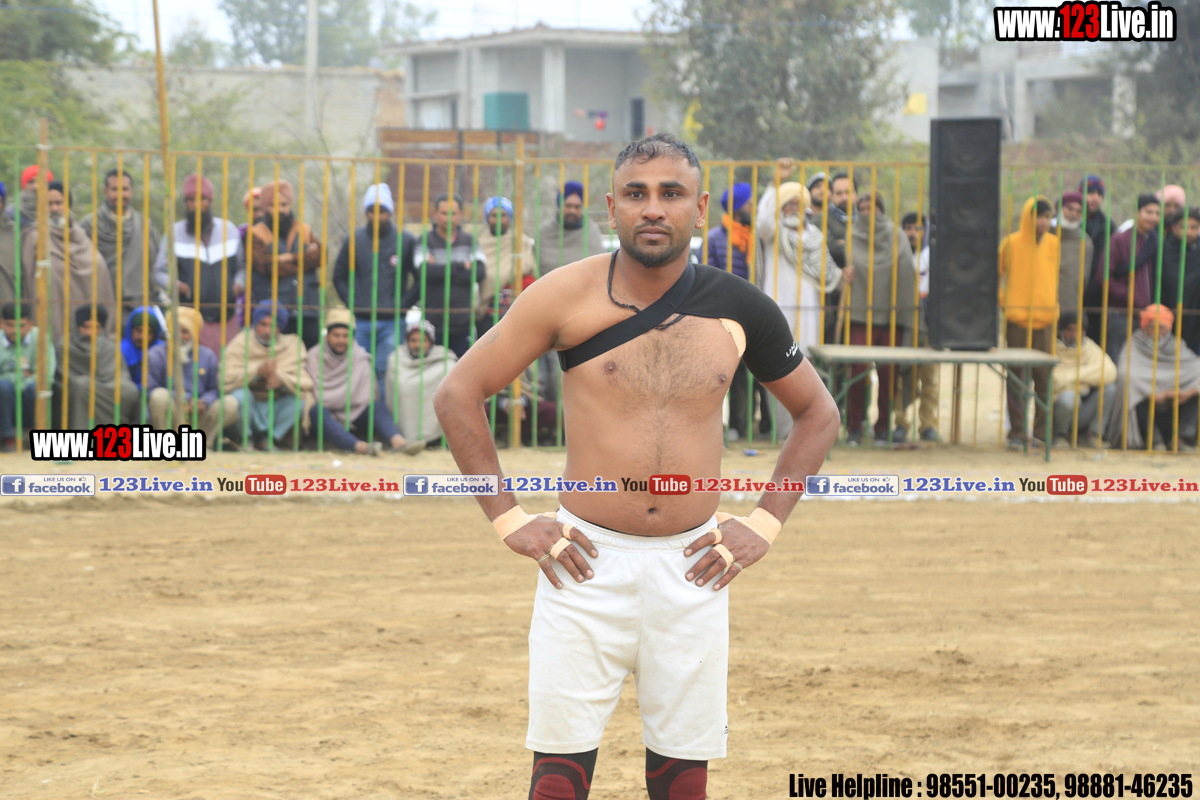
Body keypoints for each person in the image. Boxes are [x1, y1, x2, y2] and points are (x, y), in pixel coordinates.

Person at [434, 133, 840, 800]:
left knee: (682, 779)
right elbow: (458, 394)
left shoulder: (742, 307)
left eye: (671, 193)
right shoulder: (562, 295)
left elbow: (818, 413)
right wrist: (508, 519)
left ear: (699, 208)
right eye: (636, 193)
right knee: (558, 780)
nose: (653, 208)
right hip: (582, 564)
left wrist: (765, 524)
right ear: (611, 207)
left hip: (695, 567)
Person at [756, 166, 843, 439]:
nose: (793, 207)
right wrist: (774, 184)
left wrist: (843, 276)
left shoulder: (816, 237)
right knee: (776, 368)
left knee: (805, 367)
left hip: (808, 314)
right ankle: (783, 432)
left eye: (798, 203)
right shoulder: (774, 234)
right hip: (778, 309)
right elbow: (764, 222)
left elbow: (828, 273)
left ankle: (806, 429)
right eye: (787, 203)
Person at [845, 192, 916, 446]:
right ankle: (854, 426)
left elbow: (906, 272)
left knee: (888, 374)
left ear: (881, 210)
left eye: (871, 208)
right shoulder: (852, 235)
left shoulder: (897, 235)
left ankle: (883, 427)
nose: (866, 213)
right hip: (859, 315)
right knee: (857, 371)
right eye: (862, 209)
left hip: (891, 316)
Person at [305, 307, 421, 455]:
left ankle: (399, 442)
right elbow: (317, 396)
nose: (341, 340)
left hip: (356, 414)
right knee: (317, 411)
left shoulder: (360, 356)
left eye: (346, 336)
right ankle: (361, 448)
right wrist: (344, 399)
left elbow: (368, 396)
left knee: (377, 406)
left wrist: (339, 399)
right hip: (329, 417)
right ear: (327, 336)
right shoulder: (314, 356)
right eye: (336, 335)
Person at [333, 183, 417, 383]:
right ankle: (361, 404)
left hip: (393, 321)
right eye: (372, 211)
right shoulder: (354, 239)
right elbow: (339, 276)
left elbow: (420, 278)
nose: (377, 216)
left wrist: (403, 305)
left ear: (390, 212)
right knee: (358, 368)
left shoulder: (405, 240)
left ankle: (383, 405)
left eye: (382, 211)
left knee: (386, 370)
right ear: (366, 213)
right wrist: (352, 302)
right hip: (361, 319)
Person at [152, 174, 244, 353]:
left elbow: (243, 267)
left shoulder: (229, 230)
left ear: (210, 201)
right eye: (191, 200)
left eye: (202, 199)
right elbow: (159, 272)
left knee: (227, 365)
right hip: (190, 320)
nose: (197, 205)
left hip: (227, 319)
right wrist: (179, 287)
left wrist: (237, 286)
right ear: (186, 203)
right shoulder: (174, 233)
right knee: (197, 366)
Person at [707, 181, 771, 440]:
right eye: (749, 204)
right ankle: (737, 425)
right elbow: (709, 277)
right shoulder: (714, 238)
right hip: (726, 315)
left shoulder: (756, 238)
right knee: (735, 372)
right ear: (737, 208)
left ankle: (766, 424)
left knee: (762, 369)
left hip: (756, 311)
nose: (752, 209)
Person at [23, 181, 117, 349]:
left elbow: (97, 267)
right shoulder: (34, 236)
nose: (54, 208)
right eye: (49, 203)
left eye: (59, 203)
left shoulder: (80, 236)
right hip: (51, 319)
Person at [999, 196, 1059, 448]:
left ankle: (1042, 433)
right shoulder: (1011, 243)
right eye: (1039, 216)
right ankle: (1017, 432)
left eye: (1047, 217)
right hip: (1018, 322)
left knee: (1044, 379)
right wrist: (1006, 303)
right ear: (1028, 217)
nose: (1043, 222)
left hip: (1045, 322)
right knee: (1016, 379)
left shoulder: (1054, 244)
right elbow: (996, 274)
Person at [1105, 304, 1200, 450]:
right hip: (1147, 412)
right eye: (1151, 327)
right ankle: (1155, 441)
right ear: (1144, 327)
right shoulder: (1134, 345)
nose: (1157, 332)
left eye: (1161, 328)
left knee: (1197, 395)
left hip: (1174, 409)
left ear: (1169, 328)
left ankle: (1180, 439)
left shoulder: (1177, 346)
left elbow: (1196, 369)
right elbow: (1126, 376)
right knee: (1134, 398)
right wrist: (1151, 394)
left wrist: (1188, 392)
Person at [223, 300, 314, 450]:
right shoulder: (241, 342)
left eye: (273, 326)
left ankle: (268, 440)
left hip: (274, 406)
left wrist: (282, 380)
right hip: (249, 405)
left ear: (280, 328)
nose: (267, 331)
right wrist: (257, 372)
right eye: (263, 324)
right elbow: (225, 377)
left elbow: (306, 382)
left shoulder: (291, 344)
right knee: (239, 396)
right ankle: (246, 439)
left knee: (300, 402)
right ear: (255, 324)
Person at [146, 306, 238, 443]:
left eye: (185, 332)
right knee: (159, 396)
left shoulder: (208, 355)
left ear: (194, 333)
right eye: (176, 331)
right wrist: (185, 399)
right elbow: (150, 389)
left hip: (199, 414)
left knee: (230, 403)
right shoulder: (156, 354)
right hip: (172, 411)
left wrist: (203, 402)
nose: (180, 336)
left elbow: (215, 389)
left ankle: (202, 443)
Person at [249, 180, 322, 349]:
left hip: (307, 312)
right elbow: (267, 266)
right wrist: (305, 258)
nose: (280, 210)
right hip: (274, 316)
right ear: (266, 207)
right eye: (274, 205)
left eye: (284, 204)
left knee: (311, 359)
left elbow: (320, 256)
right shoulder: (255, 234)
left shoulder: (304, 230)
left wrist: (289, 257)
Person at [413, 192, 487, 358]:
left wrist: (439, 270)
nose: (448, 218)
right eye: (444, 213)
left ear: (460, 215)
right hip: (432, 324)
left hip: (463, 324)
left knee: (463, 370)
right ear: (435, 214)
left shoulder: (470, 241)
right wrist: (460, 266)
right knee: (433, 370)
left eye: (453, 213)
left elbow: (480, 272)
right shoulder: (424, 241)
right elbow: (424, 272)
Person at [80, 168, 161, 313]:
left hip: (139, 307)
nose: (120, 195)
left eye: (125, 189)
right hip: (100, 306)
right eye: (115, 189)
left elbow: (156, 267)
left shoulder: (145, 227)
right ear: (105, 192)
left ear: (132, 191)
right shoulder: (89, 225)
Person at [1096, 193, 1160, 361]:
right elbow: (1103, 276)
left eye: (1157, 213)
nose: (1153, 217)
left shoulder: (1155, 241)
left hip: (1147, 316)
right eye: (1149, 212)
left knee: (1140, 362)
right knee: (1117, 359)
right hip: (1120, 315)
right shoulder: (1120, 239)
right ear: (1137, 212)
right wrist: (1129, 295)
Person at [894, 211, 939, 442]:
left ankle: (928, 424)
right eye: (908, 228)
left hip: (930, 324)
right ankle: (900, 422)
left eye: (918, 228)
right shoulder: (897, 255)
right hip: (905, 323)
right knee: (902, 376)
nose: (912, 233)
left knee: (929, 378)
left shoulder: (935, 256)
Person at [384, 316, 458, 448]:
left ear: (431, 342)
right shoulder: (396, 358)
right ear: (407, 341)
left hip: (439, 436)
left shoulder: (445, 360)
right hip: (405, 430)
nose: (418, 345)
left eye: (423, 340)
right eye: (413, 340)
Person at [64, 304, 138, 429]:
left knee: (129, 389)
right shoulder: (65, 347)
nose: (89, 332)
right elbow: (62, 382)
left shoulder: (110, 347)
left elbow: (122, 375)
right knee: (80, 385)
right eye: (85, 327)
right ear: (76, 326)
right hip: (83, 390)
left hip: (109, 386)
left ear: (102, 328)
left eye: (95, 327)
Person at [1053, 311, 1116, 448]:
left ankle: (1092, 435)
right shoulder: (1053, 348)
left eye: (1079, 330)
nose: (1074, 335)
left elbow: (1110, 372)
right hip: (1059, 410)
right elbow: (1055, 380)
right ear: (1062, 330)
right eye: (1070, 330)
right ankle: (1059, 436)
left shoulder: (1090, 348)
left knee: (1110, 389)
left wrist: (1073, 378)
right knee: (1069, 397)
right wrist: (1088, 378)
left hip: (1081, 413)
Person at [474, 195, 535, 333]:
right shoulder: (479, 245)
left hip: (518, 313)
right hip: (487, 315)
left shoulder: (521, 242)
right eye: (494, 215)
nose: (499, 220)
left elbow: (530, 272)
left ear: (510, 218)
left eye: (503, 215)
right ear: (487, 218)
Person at [1, 302, 51, 451]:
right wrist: (24, 376)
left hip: (30, 398)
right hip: (4, 400)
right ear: (1, 324)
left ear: (30, 325)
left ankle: (37, 437)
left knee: (38, 387)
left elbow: (46, 376)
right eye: (10, 325)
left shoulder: (40, 338)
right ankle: (7, 438)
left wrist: (12, 379)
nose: (14, 330)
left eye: (21, 326)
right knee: (3, 388)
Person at [537, 180, 608, 278]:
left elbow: (601, 269)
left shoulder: (592, 231)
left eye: (577, 207)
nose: (572, 211)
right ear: (559, 206)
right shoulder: (545, 232)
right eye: (568, 206)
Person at [1158, 207, 1200, 356]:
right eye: (1183, 227)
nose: (1188, 232)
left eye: (1193, 227)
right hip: (1167, 317)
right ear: (1174, 227)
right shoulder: (1163, 250)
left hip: (1195, 320)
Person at [1079, 174, 1111, 339]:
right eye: (1090, 192)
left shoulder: (1108, 226)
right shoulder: (1066, 223)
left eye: (1099, 194)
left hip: (1097, 293)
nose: (1095, 198)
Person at [1056, 191, 1094, 320]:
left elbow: (1084, 280)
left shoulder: (1085, 242)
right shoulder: (1045, 234)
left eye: (1079, 211)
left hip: (1070, 308)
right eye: (1069, 208)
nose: (1073, 214)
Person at [120, 305, 166, 393]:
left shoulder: (162, 352)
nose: (142, 337)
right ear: (130, 330)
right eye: (139, 330)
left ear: (155, 334)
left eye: (148, 332)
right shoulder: (121, 350)